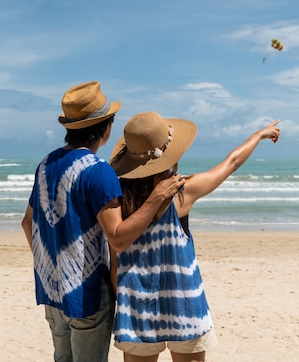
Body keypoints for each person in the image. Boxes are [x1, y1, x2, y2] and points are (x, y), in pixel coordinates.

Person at [21, 82, 185, 362]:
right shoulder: (98, 172)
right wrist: (156, 198)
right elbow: (118, 237)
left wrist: (54, 265)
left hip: (51, 288)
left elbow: (28, 223)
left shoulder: (46, 164)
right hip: (86, 292)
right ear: (107, 128)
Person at [109, 111, 280, 362]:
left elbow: (114, 256)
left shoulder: (115, 199)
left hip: (136, 304)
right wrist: (257, 135)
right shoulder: (181, 194)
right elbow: (231, 163)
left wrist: (121, 296)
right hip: (184, 302)